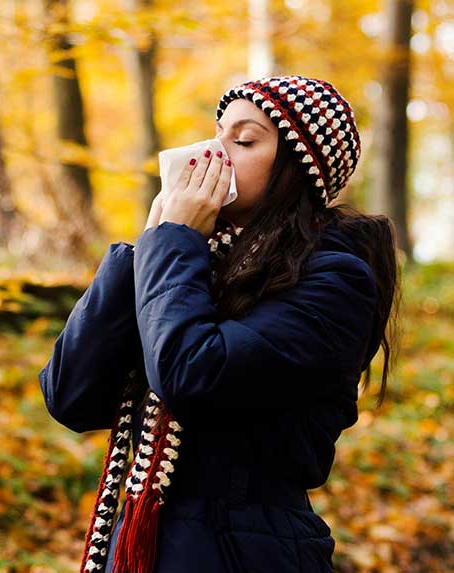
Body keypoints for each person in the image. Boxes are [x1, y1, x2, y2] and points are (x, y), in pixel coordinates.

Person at [39, 75, 400, 573]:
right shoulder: (195, 263)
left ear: (298, 168)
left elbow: (190, 372)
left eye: (244, 139)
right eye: (218, 132)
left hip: (246, 554)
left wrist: (173, 244)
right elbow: (69, 395)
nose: (215, 152)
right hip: (146, 546)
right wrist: (147, 247)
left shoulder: (335, 281)